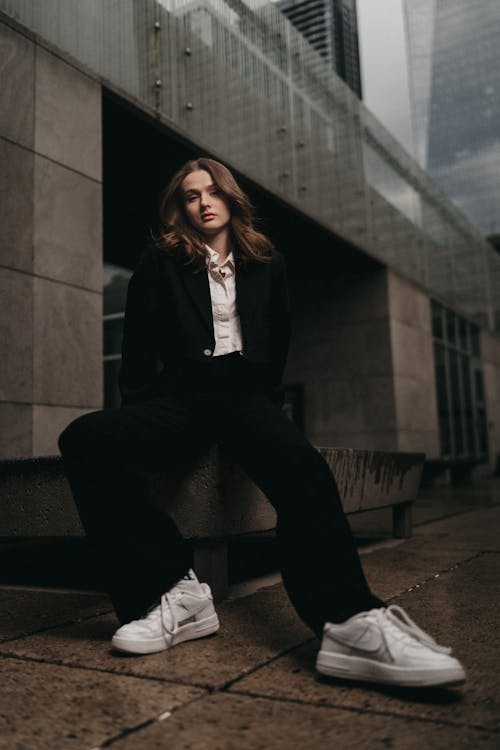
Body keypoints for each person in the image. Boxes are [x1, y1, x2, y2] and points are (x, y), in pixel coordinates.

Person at [58, 157, 465, 688]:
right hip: (181, 401)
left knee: (303, 468)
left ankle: (350, 623)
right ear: (179, 208)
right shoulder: (161, 262)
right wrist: (147, 415)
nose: (203, 202)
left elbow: (277, 347)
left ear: (230, 198)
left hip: (247, 397)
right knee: (86, 438)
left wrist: (258, 410)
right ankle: (174, 594)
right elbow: (136, 357)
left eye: (212, 191)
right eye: (190, 195)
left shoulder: (268, 263)